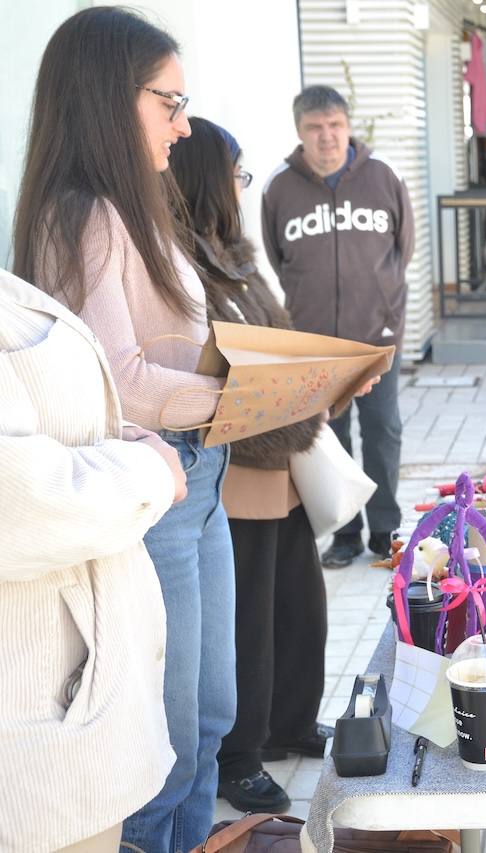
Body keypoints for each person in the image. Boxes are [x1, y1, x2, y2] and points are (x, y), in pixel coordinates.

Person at [12, 8, 236, 851]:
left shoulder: (130, 203)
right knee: (162, 752)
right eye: (170, 102)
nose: (184, 125)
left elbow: (167, 350)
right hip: (154, 484)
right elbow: (119, 386)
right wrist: (237, 399)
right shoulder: (82, 215)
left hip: (195, 477)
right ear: (110, 98)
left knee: (210, 718)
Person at [169, 118, 333, 813]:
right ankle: (238, 757)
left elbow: (277, 339)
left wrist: (327, 373)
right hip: (230, 473)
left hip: (280, 458)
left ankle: (289, 724)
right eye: (236, 175)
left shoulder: (233, 254)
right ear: (207, 178)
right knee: (247, 625)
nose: (242, 188)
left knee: (302, 607)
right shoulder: (177, 263)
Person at [0, 268, 186, 853]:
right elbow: (17, 504)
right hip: (31, 726)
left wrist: (112, 436)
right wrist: (151, 469)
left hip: (57, 707)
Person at [261, 85, 415, 568]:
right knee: (330, 437)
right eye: (315, 128)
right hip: (314, 345)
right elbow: (278, 259)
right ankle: (345, 532)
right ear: (299, 132)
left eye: (335, 126)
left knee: (383, 430)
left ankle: (385, 529)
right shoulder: (279, 186)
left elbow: (401, 249)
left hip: (376, 341)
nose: (327, 137)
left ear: (348, 127)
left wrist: (383, 311)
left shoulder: (383, 176)